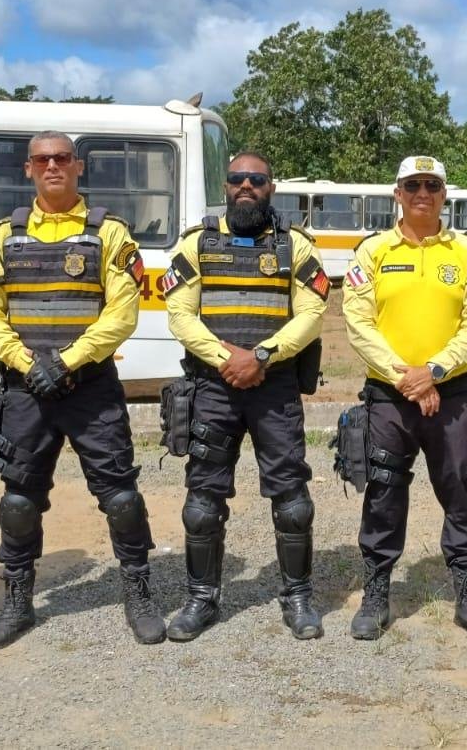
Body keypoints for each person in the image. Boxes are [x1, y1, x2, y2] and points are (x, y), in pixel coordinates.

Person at [0, 131, 161, 649]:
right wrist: (27, 363)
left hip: (89, 385)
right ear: (28, 169)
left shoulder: (111, 236)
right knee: (18, 501)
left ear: (78, 167)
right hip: (24, 389)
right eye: (42, 159)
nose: (52, 165)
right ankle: (16, 602)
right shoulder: (0, 238)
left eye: (61, 158)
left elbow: (123, 312)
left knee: (121, 496)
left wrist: (67, 361)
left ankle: (139, 593)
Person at [160, 151, 329, 641]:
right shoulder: (197, 244)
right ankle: (201, 599)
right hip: (214, 387)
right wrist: (226, 359)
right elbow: (180, 314)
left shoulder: (295, 246)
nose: (247, 186)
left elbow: (312, 313)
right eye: (238, 179)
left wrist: (261, 356)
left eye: (257, 179)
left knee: (292, 500)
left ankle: (297, 599)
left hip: (273, 388)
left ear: (271, 186)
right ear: (226, 185)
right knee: (202, 501)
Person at [342, 155, 467, 643]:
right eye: (413, 184)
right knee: (385, 492)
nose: (422, 193)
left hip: (449, 391)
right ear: (398, 193)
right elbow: (358, 321)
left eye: (432, 185)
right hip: (390, 394)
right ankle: (376, 593)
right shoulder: (371, 251)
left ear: (444, 196)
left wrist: (431, 372)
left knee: (460, 488)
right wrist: (407, 377)